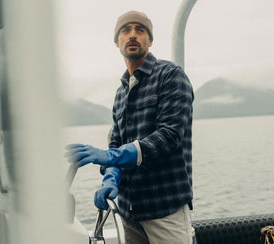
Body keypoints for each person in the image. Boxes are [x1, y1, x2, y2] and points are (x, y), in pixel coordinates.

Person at [65, 10, 194, 244]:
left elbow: (169, 136)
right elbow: (116, 142)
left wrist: (109, 156)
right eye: (125, 30)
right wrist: (111, 178)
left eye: (140, 30)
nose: (132, 35)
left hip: (165, 208)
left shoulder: (171, 76)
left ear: (150, 40)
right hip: (128, 211)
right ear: (117, 42)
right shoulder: (121, 92)